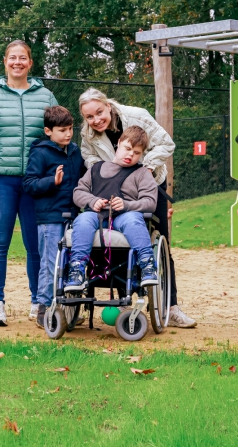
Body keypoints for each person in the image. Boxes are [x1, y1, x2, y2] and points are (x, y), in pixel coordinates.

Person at [78, 88, 197, 328]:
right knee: (117, 240)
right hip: (110, 190)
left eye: (99, 112)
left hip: (146, 184)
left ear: (108, 106)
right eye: (89, 117)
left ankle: (171, 306)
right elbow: (88, 158)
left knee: (160, 239)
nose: (96, 120)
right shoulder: (88, 134)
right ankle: (123, 300)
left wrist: (145, 168)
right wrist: (105, 173)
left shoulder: (137, 116)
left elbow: (165, 143)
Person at [0, 40, 58, 327]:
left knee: (37, 245)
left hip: (36, 183)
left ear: (30, 63)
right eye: (12, 58)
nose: (17, 62)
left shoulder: (45, 96)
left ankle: (38, 301)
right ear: (5, 61)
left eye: (23, 58)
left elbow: (57, 135)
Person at [67, 126, 160, 291]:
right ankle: (77, 269)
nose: (131, 154)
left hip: (124, 216)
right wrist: (92, 201)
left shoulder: (142, 173)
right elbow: (78, 192)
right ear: (119, 143)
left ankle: (147, 265)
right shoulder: (96, 168)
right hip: (96, 215)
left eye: (137, 152)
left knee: (133, 219)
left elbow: (150, 202)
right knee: (82, 220)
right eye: (128, 148)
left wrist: (127, 205)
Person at [22, 106, 86, 329]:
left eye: (70, 129)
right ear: (48, 131)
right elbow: (29, 184)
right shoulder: (40, 152)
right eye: (62, 130)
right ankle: (45, 308)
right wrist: (52, 182)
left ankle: (67, 309)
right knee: (51, 264)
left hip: (74, 216)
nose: (68, 134)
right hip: (50, 218)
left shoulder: (76, 151)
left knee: (70, 265)